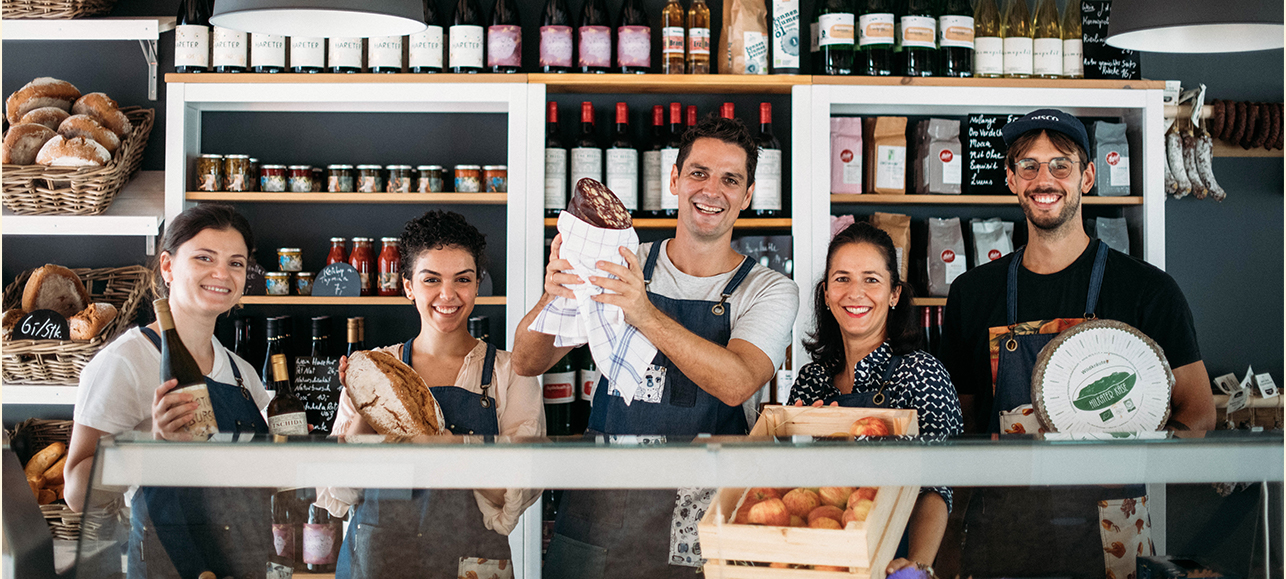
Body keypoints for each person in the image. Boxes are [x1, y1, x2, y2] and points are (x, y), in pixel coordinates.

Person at [513, 115, 800, 578]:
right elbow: (527, 362)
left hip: (704, 512)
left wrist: (643, 311)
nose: (711, 191)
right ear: (674, 178)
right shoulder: (624, 261)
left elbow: (737, 382)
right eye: (698, 173)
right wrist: (553, 295)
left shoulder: (768, 289)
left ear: (747, 195)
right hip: (602, 504)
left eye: (731, 180)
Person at [938, 109, 1215, 579]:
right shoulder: (972, 292)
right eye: (1028, 165)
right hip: (1000, 533)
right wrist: (947, 547)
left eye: (1060, 165)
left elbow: (1199, 413)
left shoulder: (1147, 290)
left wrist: (1131, 456)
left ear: (1087, 177)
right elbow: (960, 430)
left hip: (1112, 532)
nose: (1044, 178)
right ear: (1010, 178)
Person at [320, 209, 543, 579]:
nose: (448, 294)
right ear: (408, 285)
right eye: (431, 279)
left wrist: (442, 444)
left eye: (463, 279)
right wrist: (366, 405)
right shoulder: (376, 369)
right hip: (380, 560)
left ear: (477, 284)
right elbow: (340, 493)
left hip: (473, 563)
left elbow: (514, 491)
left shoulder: (509, 373)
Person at [64, 203, 273, 578]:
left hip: (242, 562)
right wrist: (152, 446)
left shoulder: (242, 373)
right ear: (167, 266)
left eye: (236, 263)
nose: (221, 274)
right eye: (204, 258)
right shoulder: (126, 362)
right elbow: (76, 491)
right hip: (168, 565)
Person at [789, 222, 962, 575]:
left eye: (871, 279)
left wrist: (917, 565)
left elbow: (935, 484)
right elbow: (792, 486)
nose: (855, 293)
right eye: (842, 279)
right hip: (822, 560)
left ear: (894, 293)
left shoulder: (921, 373)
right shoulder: (811, 380)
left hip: (891, 560)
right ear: (825, 292)